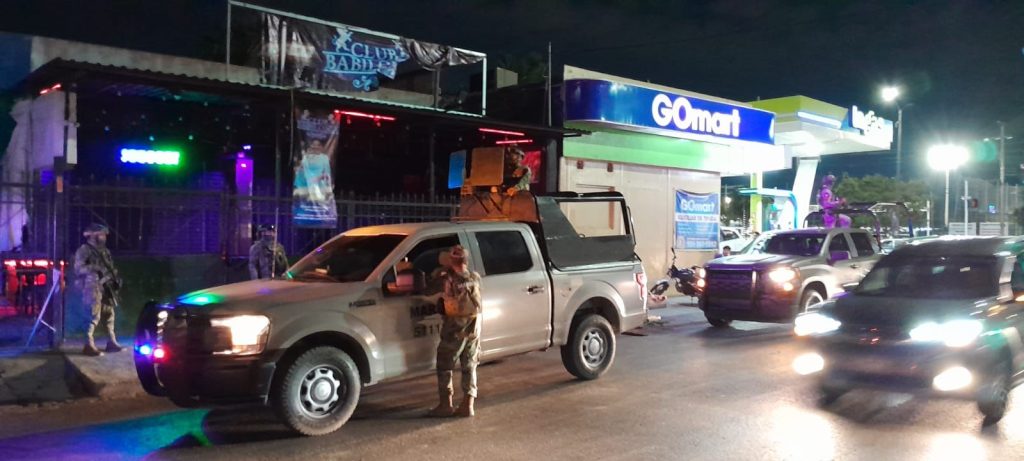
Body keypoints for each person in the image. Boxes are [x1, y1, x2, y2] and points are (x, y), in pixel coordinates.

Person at [427, 245, 483, 417]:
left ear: (451, 260)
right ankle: (468, 405)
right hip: (474, 325)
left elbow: (428, 289)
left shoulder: (447, 278)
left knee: (444, 364)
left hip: (456, 325)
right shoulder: (475, 276)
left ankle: (446, 404)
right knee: (470, 364)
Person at [74, 223, 122, 356]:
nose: (104, 237)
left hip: (107, 286)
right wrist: (95, 267)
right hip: (92, 286)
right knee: (93, 314)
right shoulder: (84, 250)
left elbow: (110, 267)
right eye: (102, 235)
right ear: (93, 236)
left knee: (109, 313)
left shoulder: (105, 251)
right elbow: (78, 269)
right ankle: (88, 344)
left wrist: (114, 277)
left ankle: (111, 342)